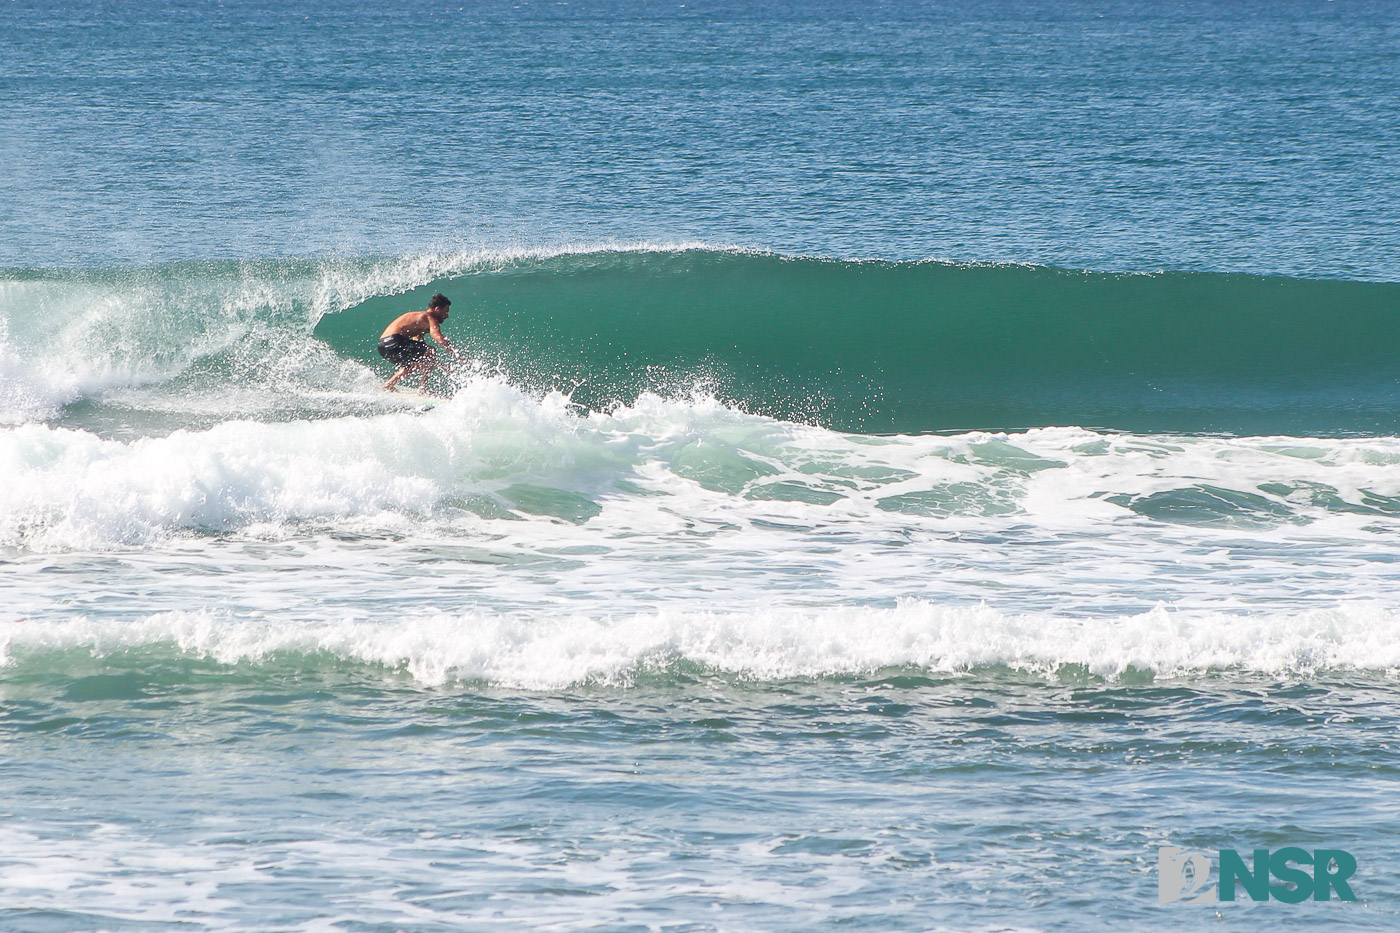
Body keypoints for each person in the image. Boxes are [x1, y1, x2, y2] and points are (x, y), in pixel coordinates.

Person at [377, 293, 461, 392]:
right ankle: (422, 388)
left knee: (413, 364)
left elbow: (418, 343)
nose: (447, 316)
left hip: (383, 346)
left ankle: (388, 385)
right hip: (394, 341)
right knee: (431, 351)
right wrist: (457, 355)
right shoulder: (429, 318)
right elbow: (439, 338)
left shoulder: (418, 318)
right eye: (446, 312)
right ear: (437, 309)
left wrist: (436, 363)